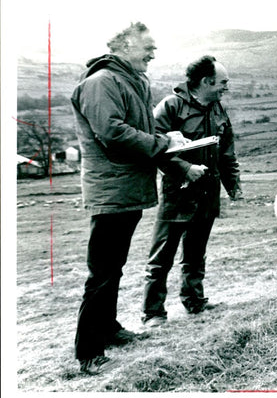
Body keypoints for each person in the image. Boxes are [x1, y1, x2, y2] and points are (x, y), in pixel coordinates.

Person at [71, 22, 187, 375]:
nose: (153, 52)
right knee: (102, 272)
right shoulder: (101, 82)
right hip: (111, 189)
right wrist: (163, 144)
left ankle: (108, 329)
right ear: (123, 45)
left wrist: (169, 138)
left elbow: (140, 129)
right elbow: (112, 133)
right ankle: (88, 351)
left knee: (113, 267)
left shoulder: (130, 80)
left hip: (127, 188)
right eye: (147, 46)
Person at [142, 55, 242, 326]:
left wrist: (234, 186)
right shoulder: (171, 107)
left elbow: (226, 152)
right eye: (223, 83)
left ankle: (194, 301)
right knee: (162, 255)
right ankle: (153, 313)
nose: (226, 88)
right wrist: (184, 168)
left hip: (208, 193)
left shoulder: (218, 109)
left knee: (196, 252)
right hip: (178, 193)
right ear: (206, 82)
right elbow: (153, 147)